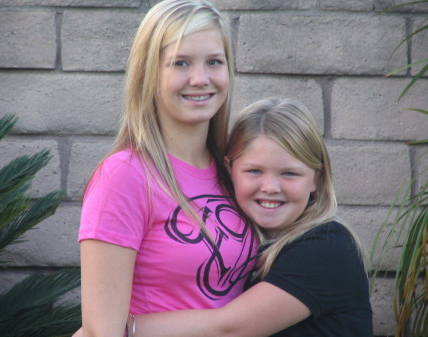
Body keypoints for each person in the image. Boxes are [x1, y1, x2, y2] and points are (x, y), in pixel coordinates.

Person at [75, 1, 258, 336]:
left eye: (214, 62)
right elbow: (102, 331)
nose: (200, 79)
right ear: (147, 73)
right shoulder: (124, 176)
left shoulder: (235, 171)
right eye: (181, 63)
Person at [129, 97, 374, 337]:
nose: (270, 187)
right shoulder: (251, 246)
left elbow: (227, 329)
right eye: (254, 171)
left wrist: (115, 329)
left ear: (316, 179)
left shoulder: (328, 248)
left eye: (289, 173)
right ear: (229, 169)